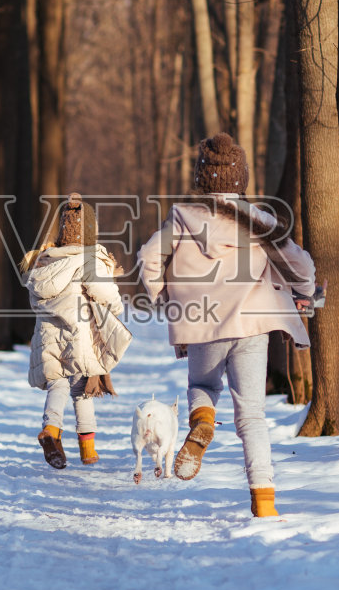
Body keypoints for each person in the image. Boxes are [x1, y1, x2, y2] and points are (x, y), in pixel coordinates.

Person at [137, 133, 316, 517]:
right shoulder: (261, 220)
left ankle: (202, 423)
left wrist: (164, 298)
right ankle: (264, 502)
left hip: (202, 322)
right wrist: (305, 290)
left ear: (203, 178)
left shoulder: (183, 216)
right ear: (241, 179)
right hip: (252, 324)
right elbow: (299, 264)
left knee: (202, 386)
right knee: (252, 415)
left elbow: (149, 256)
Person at [23, 193, 131, 470]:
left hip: (48, 333)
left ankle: (51, 430)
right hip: (79, 331)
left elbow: (35, 300)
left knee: (57, 383)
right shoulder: (89, 259)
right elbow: (104, 292)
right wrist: (116, 306)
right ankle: (88, 450)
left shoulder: (45, 260)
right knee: (82, 388)